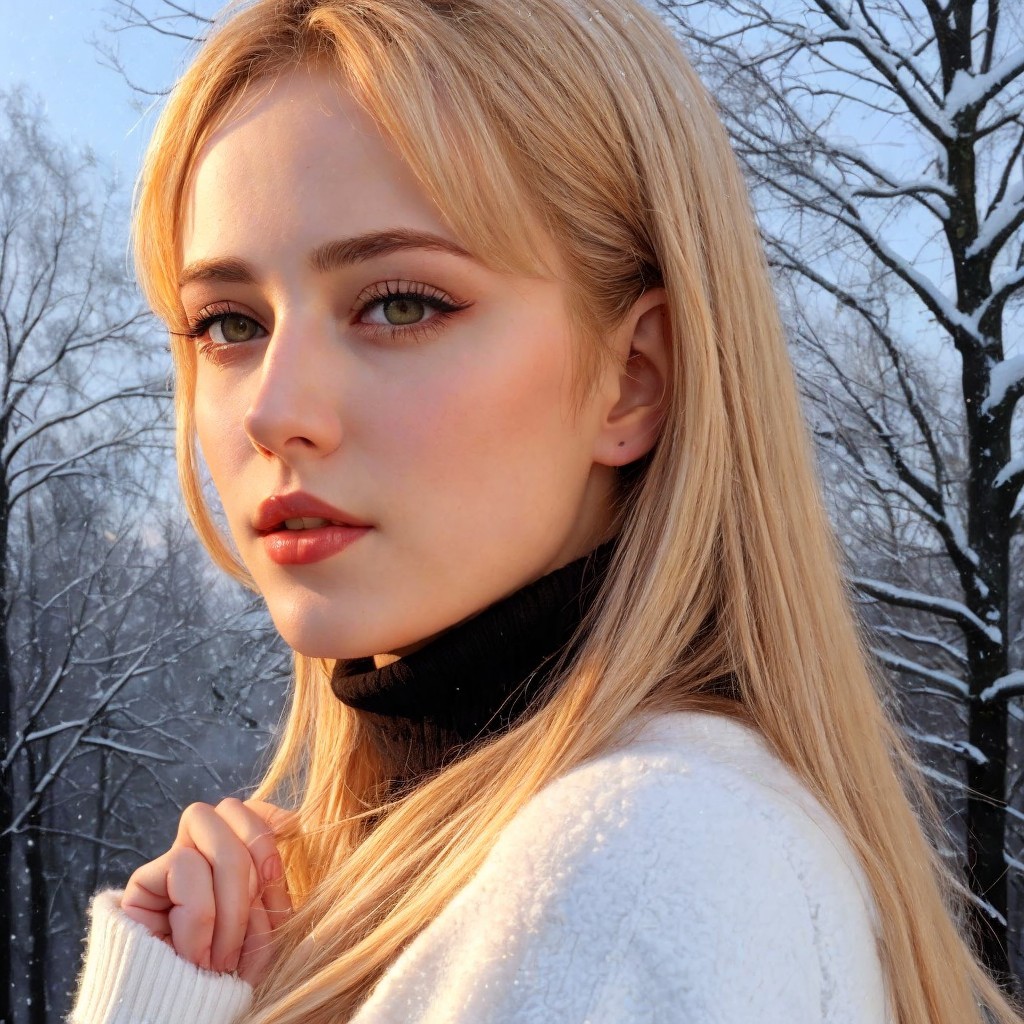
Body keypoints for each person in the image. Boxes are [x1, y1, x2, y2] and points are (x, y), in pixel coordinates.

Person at [67, 0, 1023, 1022]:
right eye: (229, 322)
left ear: (634, 378)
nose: (273, 409)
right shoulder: (494, 871)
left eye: (400, 304)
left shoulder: (642, 866)